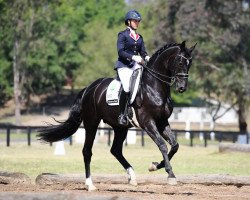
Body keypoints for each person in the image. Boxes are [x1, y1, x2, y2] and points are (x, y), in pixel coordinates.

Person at [114, 10, 150, 126]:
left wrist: (147, 57)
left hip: (136, 65)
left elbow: (142, 52)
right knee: (127, 87)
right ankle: (122, 114)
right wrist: (134, 57)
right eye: (135, 21)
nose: (137, 23)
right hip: (124, 65)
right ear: (129, 22)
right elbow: (120, 52)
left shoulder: (139, 37)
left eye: (138, 21)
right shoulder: (122, 35)